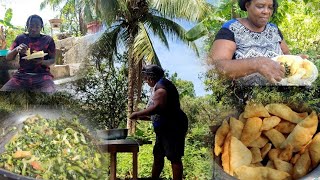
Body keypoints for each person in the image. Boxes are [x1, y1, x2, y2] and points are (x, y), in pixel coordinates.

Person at [208, 0, 291, 86]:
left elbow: (286, 56)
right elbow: (216, 67)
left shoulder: (274, 30)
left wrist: (297, 60)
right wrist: (256, 64)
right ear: (247, 5)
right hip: (243, 97)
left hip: (280, 95)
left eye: (270, 7)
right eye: (260, 6)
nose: (266, 11)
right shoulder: (231, 29)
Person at [130, 65, 188, 180]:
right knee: (158, 155)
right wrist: (141, 117)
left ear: (151, 77)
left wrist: (137, 114)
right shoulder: (159, 86)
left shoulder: (161, 87)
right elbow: (158, 113)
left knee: (174, 157)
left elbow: (158, 107)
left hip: (173, 128)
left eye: (146, 78)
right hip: (164, 129)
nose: (146, 81)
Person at [2, 14, 56, 92]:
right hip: (22, 75)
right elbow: (8, 57)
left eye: (37, 26)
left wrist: (42, 62)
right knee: (4, 93)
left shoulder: (48, 40)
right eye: (31, 26)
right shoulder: (20, 38)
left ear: (41, 27)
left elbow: (53, 59)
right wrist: (17, 49)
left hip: (43, 75)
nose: (34, 29)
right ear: (27, 26)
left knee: (51, 95)